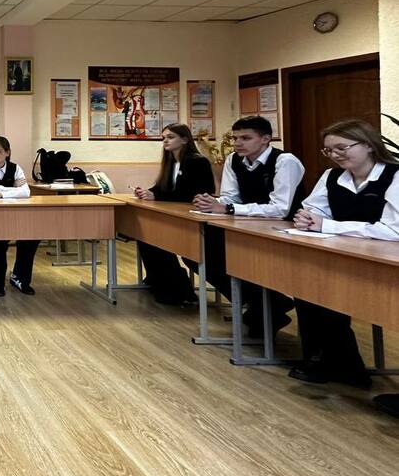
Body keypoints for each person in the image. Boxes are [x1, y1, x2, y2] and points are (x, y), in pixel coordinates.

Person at [287, 119, 398, 388]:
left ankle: (342, 365)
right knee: (308, 288)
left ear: (368, 145)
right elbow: (313, 209)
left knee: (332, 293)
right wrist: (306, 218)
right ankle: (324, 360)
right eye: (329, 150)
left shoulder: (394, 176)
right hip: (340, 253)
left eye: (341, 147)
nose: (335, 155)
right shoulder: (331, 176)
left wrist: (327, 225)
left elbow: (392, 230)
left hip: (382, 259)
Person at [191, 115, 305, 336]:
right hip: (247, 224)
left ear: (265, 139)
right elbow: (231, 197)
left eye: (245, 138)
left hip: (284, 228)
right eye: (235, 138)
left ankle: (265, 306)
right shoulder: (234, 160)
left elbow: (280, 208)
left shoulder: (285, 161)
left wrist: (228, 208)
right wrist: (212, 202)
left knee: (230, 256)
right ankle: (266, 302)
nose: (237, 143)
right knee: (198, 252)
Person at [132, 123, 215, 305]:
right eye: (164, 138)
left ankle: (177, 288)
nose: (165, 141)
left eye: (170, 137)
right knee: (146, 236)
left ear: (184, 140)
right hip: (174, 213)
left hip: (192, 215)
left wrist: (157, 196)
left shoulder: (197, 161)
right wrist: (147, 192)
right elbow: (162, 188)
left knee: (156, 239)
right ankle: (161, 282)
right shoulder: (171, 162)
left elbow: (193, 193)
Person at [0, 136, 39, 296]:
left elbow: (26, 192)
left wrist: (0, 192)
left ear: (7, 152)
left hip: (12, 215)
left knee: (31, 237)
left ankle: (19, 277)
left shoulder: (15, 168)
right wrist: (13, 190)